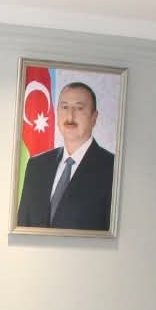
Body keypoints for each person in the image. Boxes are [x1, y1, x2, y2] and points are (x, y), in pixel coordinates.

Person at [15, 81, 115, 231]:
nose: (70, 116)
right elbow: (23, 226)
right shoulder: (37, 166)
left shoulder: (112, 168)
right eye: (64, 107)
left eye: (79, 108)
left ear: (94, 117)